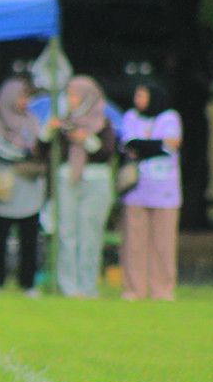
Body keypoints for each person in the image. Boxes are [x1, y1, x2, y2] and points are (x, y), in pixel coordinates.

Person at [36, 75, 116, 298]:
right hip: (67, 180)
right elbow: (41, 151)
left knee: (89, 235)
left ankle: (87, 285)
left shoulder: (102, 121)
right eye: (69, 94)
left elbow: (106, 151)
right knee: (66, 234)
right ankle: (69, 286)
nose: (70, 99)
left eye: (74, 94)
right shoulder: (63, 120)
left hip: (95, 181)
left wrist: (86, 139)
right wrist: (48, 130)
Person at [117, 81, 182, 300]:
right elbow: (128, 144)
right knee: (134, 244)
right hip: (136, 189)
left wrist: (142, 146)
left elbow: (170, 145)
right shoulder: (130, 117)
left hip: (165, 191)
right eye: (137, 96)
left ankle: (162, 290)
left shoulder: (169, 117)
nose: (139, 101)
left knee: (163, 244)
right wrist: (155, 145)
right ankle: (134, 289)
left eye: (143, 96)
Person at [0, 74, 45, 297]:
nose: (24, 102)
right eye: (20, 96)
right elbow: (1, 149)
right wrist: (26, 154)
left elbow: (40, 146)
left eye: (26, 97)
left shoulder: (32, 120)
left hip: (29, 187)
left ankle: (28, 283)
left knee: (29, 238)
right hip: (5, 188)